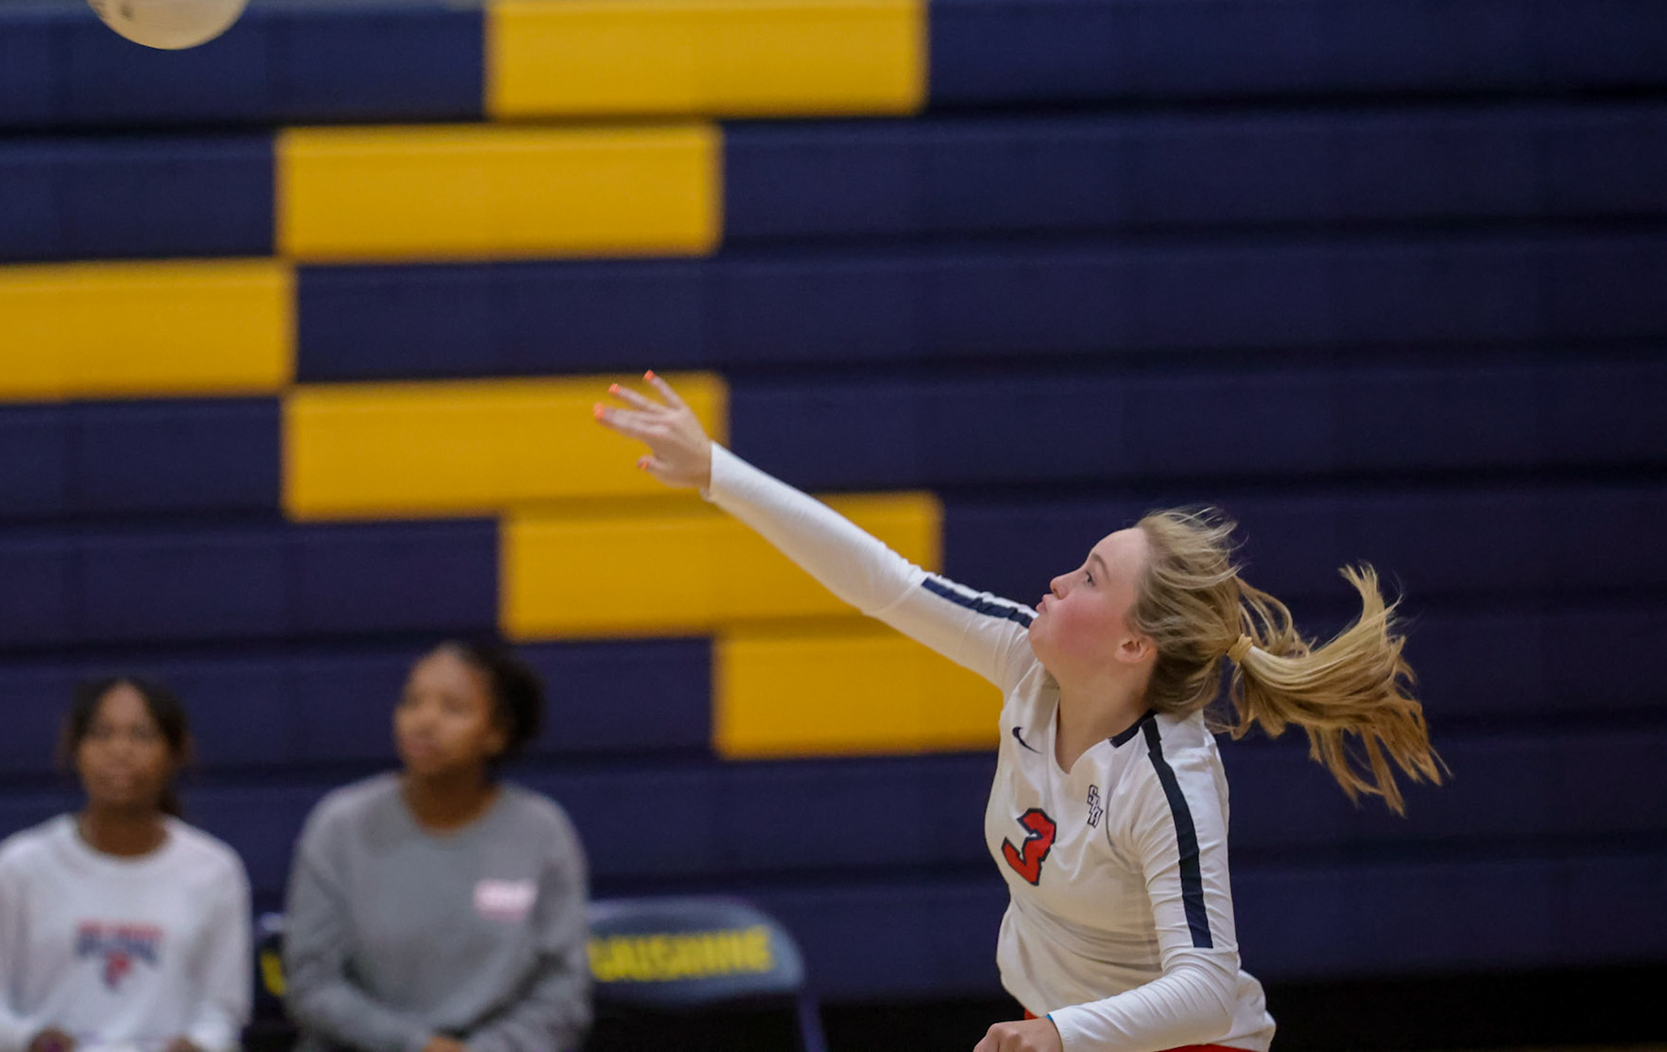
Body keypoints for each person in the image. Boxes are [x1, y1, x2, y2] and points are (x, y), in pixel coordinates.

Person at [595, 372, 1443, 1052]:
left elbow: (1208, 985)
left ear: (1132, 647)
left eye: (1089, 579)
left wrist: (1062, 1033)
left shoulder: (1167, 779)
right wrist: (717, 470)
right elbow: (882, 581)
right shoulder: (1025, 663)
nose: (1058, 582)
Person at [283, 640, 590, 1052]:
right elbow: (311, 985)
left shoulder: (542, 832)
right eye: (412, 702)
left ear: (496, 734)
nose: (424, 721)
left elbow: (563, 992)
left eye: (453, 708)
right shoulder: (340, 825)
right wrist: (418, 1045)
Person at [0, 676, 252, 1052]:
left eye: (141, 735)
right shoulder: (15, 868)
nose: (120, 750)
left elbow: (223, 1015)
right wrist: (30, 1039)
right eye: (101, 734)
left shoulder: (214, 870)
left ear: (179, 752)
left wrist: (198, 1046)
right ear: (72, 748)